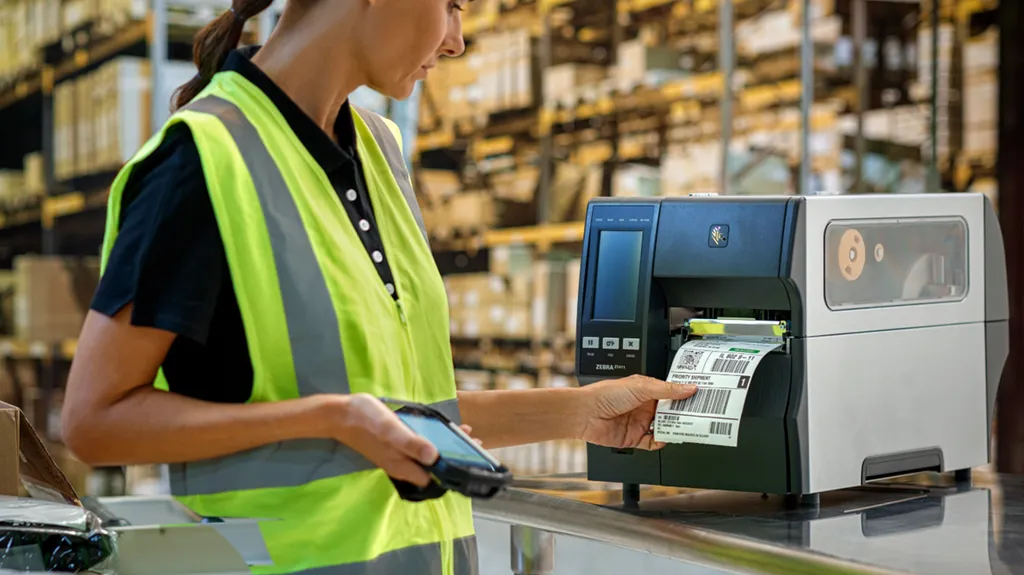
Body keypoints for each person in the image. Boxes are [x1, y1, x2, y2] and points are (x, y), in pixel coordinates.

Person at [59, 0, 698, 572]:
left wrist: (581, 412)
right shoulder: (200, 161)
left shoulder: (380, 150)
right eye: (451, 5)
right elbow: (96, 421)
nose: (456, 41)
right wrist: (332, 419)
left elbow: (403, 414)